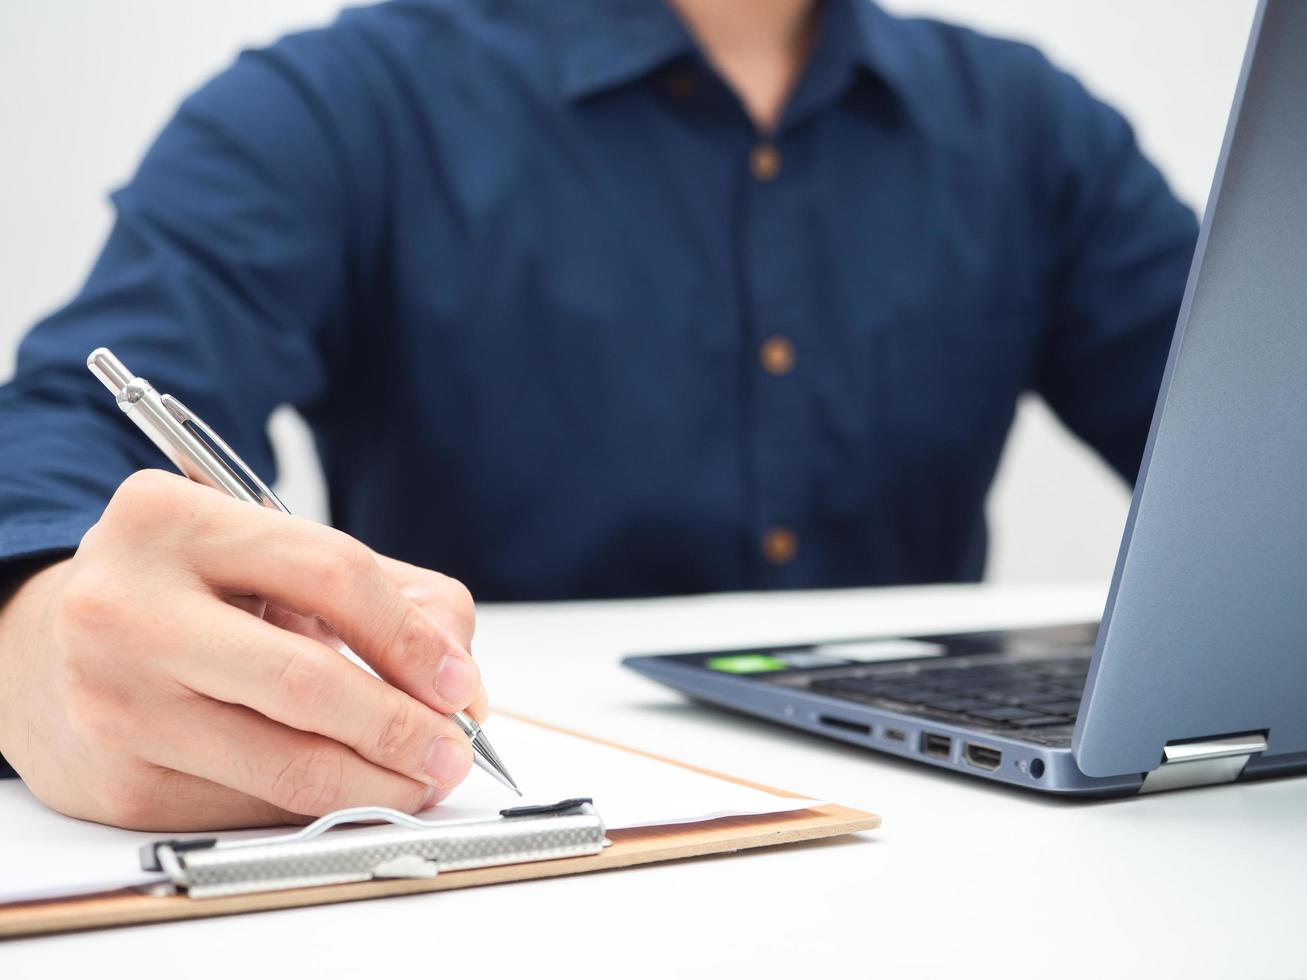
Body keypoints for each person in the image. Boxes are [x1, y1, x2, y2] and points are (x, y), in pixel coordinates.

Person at [0, 0, 1197, 829]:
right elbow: (70, 428)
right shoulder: (331, 106)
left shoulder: (1033, 128)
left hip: (966, 858)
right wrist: (34, 625)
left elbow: (1244, 444)